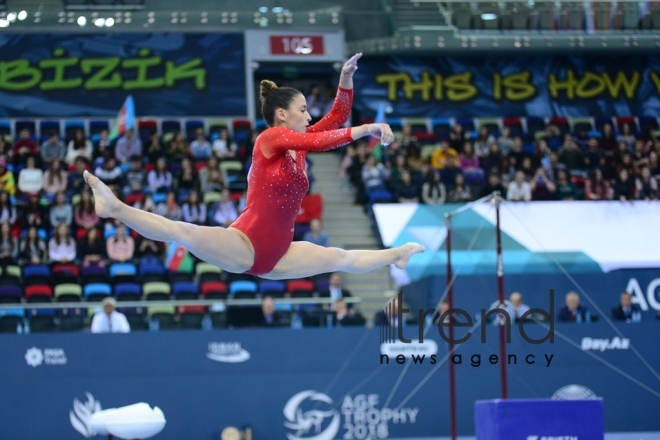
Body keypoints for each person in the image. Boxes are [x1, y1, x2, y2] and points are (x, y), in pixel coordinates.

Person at [83, 53, 424, 280]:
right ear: (281, 115)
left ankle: (398, 254)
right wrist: (367, 129)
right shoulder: (270, 139)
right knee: (182, 231)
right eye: (303, 110)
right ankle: (115, 207)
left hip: (280, 254)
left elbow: (336, 120)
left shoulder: (298, 148)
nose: (309, 116)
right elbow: (323, 138)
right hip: (245, 244)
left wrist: (346, 79)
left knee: (340, 258)